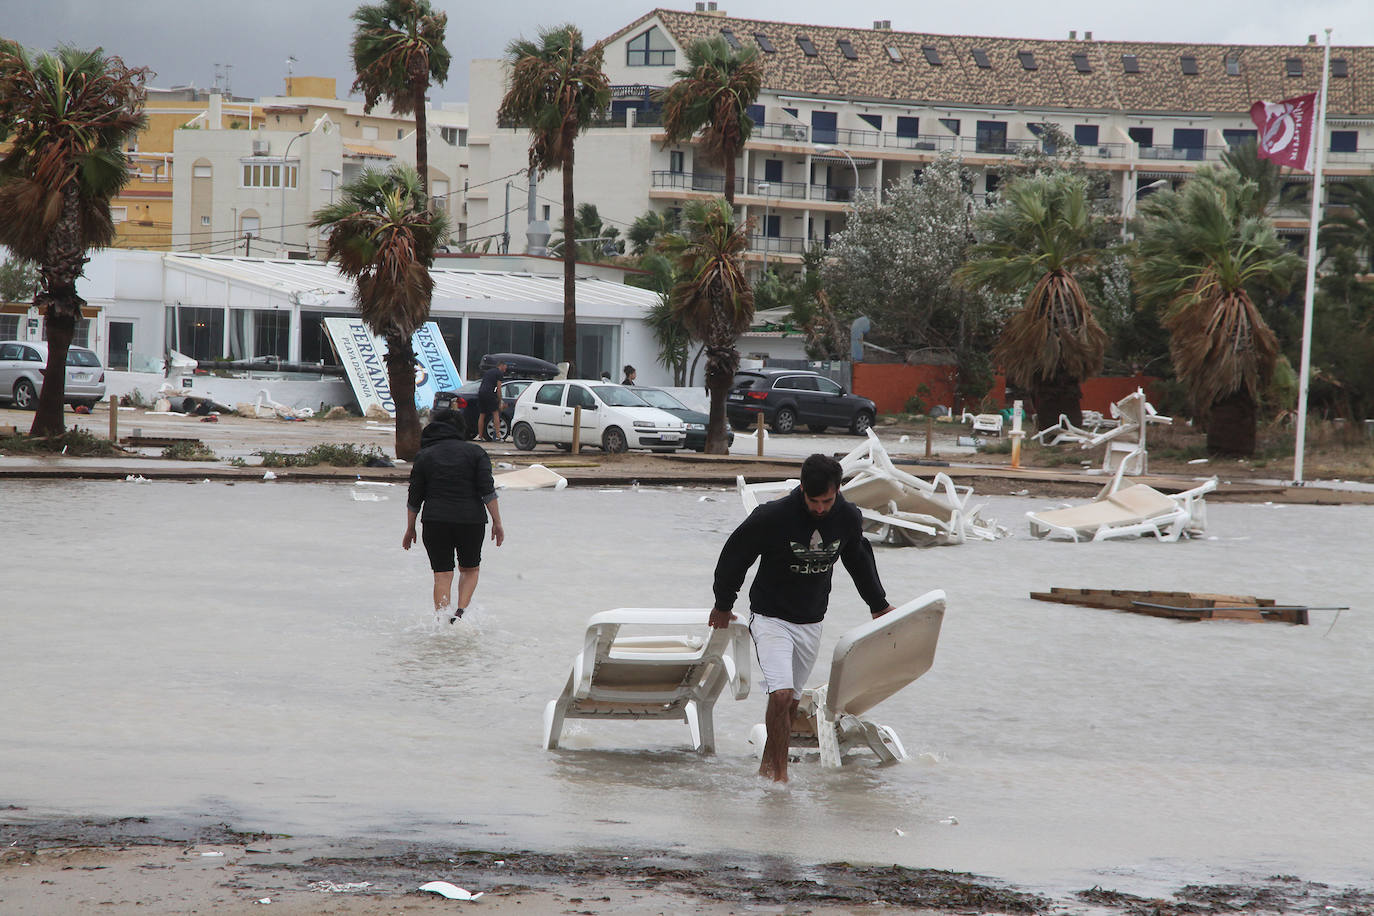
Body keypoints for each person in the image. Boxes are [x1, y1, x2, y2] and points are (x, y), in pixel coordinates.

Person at [708, 454, 893, 782]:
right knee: (779, 694)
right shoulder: (773, 516)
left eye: (827, 500)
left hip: (811, 620)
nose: (821, 508)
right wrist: (723, 603)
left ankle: (766, 767)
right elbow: (735, 555)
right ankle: (780, 779)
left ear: (837, 490)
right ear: (803, 490)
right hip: (770, 617)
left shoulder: (847, 517)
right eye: (813, 500)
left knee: (791, 701)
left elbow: (859, 559)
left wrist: (878, 605)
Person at [403, 409, 505, 623]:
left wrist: (410, 528)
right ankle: (459, 614)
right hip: (471, 521)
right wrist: (497, 522)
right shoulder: (476, 453)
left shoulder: (424, 455)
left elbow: (415, 496)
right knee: (470, 569)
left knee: (442, 573)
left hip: (435, 521)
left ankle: (442, 620)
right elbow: (487, 490)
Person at [476, 360, 507, 441]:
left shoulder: (488, 372)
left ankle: (480, 436)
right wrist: (500, 401)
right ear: (501, 365)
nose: (505, 369)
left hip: (481, 393)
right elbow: (499, 389)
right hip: (489, 393)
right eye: (505, 367)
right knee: (495, 413)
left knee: (482, 414)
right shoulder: (499, 373)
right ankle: (498, 436)